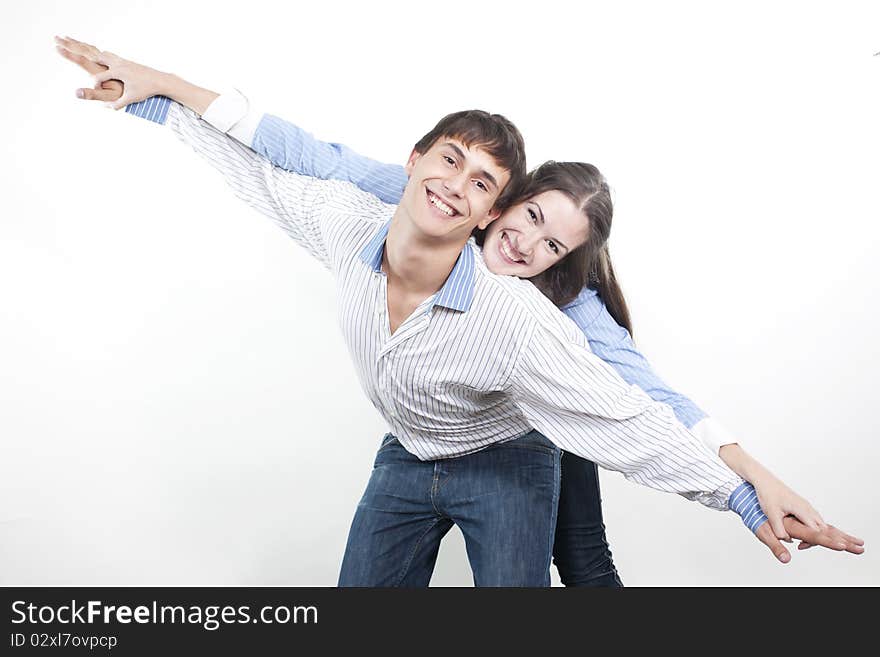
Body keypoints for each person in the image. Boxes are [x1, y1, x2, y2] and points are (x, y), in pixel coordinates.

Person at [55, 38, 863, 587]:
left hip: (524, 434)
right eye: (526, 214)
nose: (525, 240)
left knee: (584, 557)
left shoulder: (553, 312)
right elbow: (291, 163)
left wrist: (752, 485)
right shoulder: (386, 204)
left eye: (549, 242)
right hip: (418, 443)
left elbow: (640, 408)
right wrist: (158, 93)